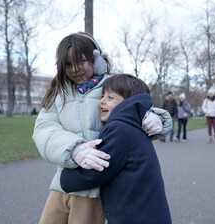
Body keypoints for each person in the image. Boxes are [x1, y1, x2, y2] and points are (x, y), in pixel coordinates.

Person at [32, 32, 172, 224]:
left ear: (96, 60)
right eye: (67, 64)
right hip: (62, 184)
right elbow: (44, 129)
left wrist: (154, 117)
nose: (75, 69)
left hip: (93, 191)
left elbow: (133, 104)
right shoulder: (59, 94)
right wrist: (74, 148)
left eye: (80, 61)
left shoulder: (111, 85)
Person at [60, 74, 172, 224]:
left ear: (127, 103)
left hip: (136, 217)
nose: (101, 101)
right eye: (102, 96)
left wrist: (66, 177)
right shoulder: (132, 127)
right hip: (147, 213)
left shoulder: (119, 129)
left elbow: (100, 169)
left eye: (110, 98)